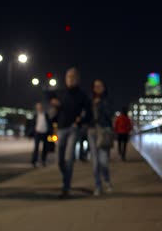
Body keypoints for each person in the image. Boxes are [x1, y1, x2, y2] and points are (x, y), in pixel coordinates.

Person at [50, 68, 90, 198]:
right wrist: (54, 104)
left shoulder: (82, 94)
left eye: (73, 76)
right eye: (68, 76)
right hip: (61, 128)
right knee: (59, 160)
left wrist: (80, 120)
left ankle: (66, 186)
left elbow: (88, 111)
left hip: (73, 129)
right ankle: (67, 178)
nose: (70, 79)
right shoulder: (61, 93)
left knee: (69, 158)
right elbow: (52, 104)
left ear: (77, 78)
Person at [87, 79, 113, 196]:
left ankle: (107, 181)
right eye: (95, 86)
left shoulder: (107, 100)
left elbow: (109, 114)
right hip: (92, 131)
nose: (98, 88)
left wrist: (100, 104)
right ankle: (98, 185)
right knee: (95, 162)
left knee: (103, 161)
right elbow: (87, 115)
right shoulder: (89, 100)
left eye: (100, 86)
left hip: (103, 131)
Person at [31, 102, 52, 168]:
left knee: (45, 148)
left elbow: (49, 123)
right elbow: (33, 124)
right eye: (38, 107)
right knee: (36, 148)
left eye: (40, 106)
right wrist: (33, 132)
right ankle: (34, 161)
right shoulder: (35, 115)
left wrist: (50, 132)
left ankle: (43, 160)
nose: (39, 108)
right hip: (37, 133)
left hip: (45, 133)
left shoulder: (46, 114)